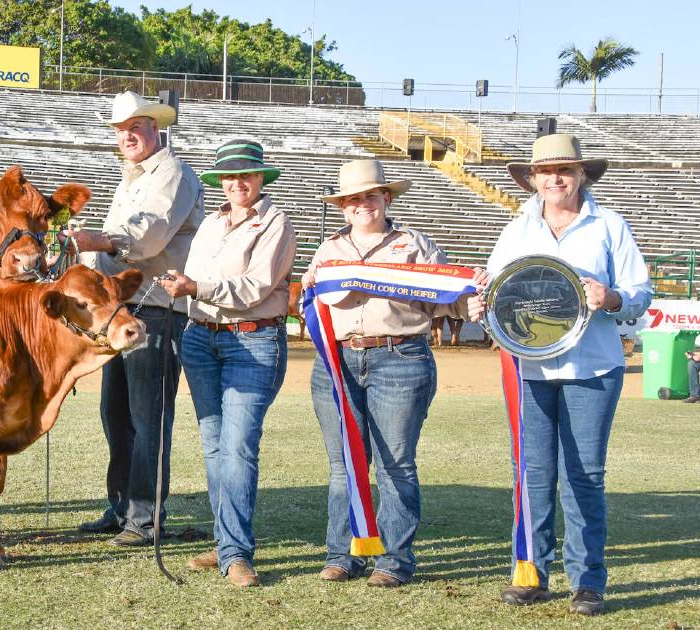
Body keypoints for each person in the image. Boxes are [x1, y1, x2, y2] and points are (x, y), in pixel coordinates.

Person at [469, 133, 651, 616]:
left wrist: (610, 298)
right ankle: (529, 572)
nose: (556, 178)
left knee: (584, 476)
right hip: (528, 368)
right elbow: (494, 292)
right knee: (532, 474)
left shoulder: (609, 225)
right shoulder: (516, 227)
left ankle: (588, 581)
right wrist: (479, 304)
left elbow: (639, 292)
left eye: (566, 170)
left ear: (582, 176)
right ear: (532, 179)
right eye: (546, 171)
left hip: (593, 365)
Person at [301, 159, 479, 588]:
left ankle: (393, 561)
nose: (363, 204)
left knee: (395, 464)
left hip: (399, 357)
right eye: (354, 199)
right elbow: (310, 298)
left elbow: (445, 299)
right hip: (338, 361)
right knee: (344, 465)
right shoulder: (329, 249)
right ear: (343, 206)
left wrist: (471, 296)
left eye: (371, 196)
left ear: (387, 198)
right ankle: (343, 554)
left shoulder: (415, 244)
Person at [68, 91, 205, 546]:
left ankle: (145, 519)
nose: (127, 135)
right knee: (118, 413)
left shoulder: (172, 173)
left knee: (148, 417)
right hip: (124, 311)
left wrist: (96, 241)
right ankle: (124, 508)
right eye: (121, 129)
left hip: (157, 309)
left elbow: (145, 240)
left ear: (155, 127)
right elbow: (112, 247)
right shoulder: (133, 178)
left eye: (136, 126)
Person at [158, 140, 295, 587]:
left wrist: (195, 286)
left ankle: (236, 553)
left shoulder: (276, 222)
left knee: (236, 447)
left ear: (261, 178)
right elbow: (200, 280)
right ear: (220, 182)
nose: (238, 183)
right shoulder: (211, 224)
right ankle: (225, 542)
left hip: (252, 342)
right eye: (229, 177)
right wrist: (181, 284)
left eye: (247, 175)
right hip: (201, 338)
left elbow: (254, 287)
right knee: (215, 446)